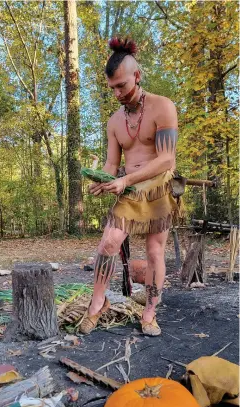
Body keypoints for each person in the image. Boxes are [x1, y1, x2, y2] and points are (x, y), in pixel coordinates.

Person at [79, 37, 182, 337]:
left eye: (121, 86)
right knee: (109, 242)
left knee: (154, 251)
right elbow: (113, 166)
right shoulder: (114, 122)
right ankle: (98, 303)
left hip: (159, 189)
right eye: (112, 87)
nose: (116, 93)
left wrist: (125, 179)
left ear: (137, 76)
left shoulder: (163, 107)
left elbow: (166, 160)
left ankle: (149, 312)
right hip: (128, 191)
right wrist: (104, 179)